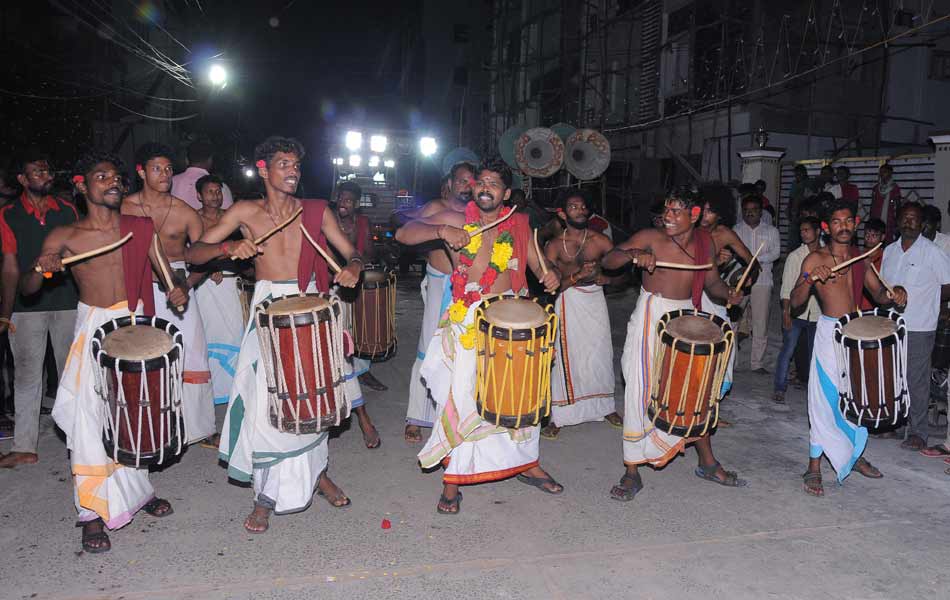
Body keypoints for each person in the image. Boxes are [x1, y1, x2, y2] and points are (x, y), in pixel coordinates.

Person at [187, 136, 363, 533]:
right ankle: (265, 495)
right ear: (264, 170)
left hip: (311, 306)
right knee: (266, 399)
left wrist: (351, 266)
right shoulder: (246, 210)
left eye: (296, 165)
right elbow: (194, 253)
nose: (293, 171)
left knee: (313, 395)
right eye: (284, 164)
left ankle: (316, 474)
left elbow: (350, 251)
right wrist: (229, 246)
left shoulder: (314, 211)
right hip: (270, 310)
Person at [25, 151, 187, 552]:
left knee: (133, 411)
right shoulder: (65, 237)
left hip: (134, 325)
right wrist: (41, 267)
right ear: (82, 185)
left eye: (116, 177)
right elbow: (27, 291)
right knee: (88, 420)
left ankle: (137, 491)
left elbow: (165, 273)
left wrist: (176, 290)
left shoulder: (139, 227)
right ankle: (92, 512)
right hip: (93, 328)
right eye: (102, 177)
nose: (113, 182)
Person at [395, 158, 563, 514]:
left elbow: (537, 265)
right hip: (469, 321)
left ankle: (527, 463)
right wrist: (440, 233)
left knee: (519, 398)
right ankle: (453, 480)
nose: (485, 188)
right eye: (480, 182)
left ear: (506, 193)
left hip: (511, 320)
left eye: (494, 184)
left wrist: (551, 277)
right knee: (461, 400)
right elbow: (403, 234)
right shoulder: (457, 219)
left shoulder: (518, 223)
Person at [601, 188, 746, 502]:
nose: (667, 217)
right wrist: (631, 255)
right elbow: (609, 260)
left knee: (694, 390)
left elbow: (713, 284)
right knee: (639, 388)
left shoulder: (705, 245)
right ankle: (631, 470)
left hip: (685, 320)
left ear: (693, 216)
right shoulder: (650, 237)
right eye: (666, 210)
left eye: (675, 212)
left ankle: (707, 463)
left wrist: (729, 294)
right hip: (650, 318)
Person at [791, 200, 906, 495]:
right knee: (822, 401)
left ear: (855, 224)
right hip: (830, 333)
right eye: (837, 222)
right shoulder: (814, 259)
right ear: (828, 227)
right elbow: (795, 302)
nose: (843, 226)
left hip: (855, 333)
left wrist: (896, 293)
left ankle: (853, 455)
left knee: (855, 397)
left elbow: (879, 295)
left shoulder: (859, 257)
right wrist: (810, 278)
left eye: (848, 221)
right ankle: (813, 467)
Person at [122, 143, 215, 447]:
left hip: (180, 290)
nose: (164, 174)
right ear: (141, 172)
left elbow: (204, 258)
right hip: (138, 289)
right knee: (144, 356)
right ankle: (151, 427)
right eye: (156, 168)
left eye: (168, 168)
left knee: (192, 353)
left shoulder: (185, 212)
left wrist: (185, 286)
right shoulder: (125, 208)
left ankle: (196, 429)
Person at [0, 152, 79, 468]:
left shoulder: (68, 210)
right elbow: (8, 268)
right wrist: (6, 313)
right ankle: (24, 446)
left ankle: (78, 441)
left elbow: (80, 257)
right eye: (37, 170)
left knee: (71, 375)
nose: (46, 174)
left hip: (68, 301)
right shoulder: (8, 214)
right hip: (26, 305)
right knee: (28, 375)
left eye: (47, 168)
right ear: (22, 179)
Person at [395, 161, 474, 444]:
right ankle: (417, 417)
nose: (467, 186)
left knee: (464, 355)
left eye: (471, 181)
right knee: (428, 349)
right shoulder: (435, 208)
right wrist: (441, 229)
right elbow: (405, 232)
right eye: (461, 180)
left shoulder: (479, 213)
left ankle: (456, 416)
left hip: (471, 290)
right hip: (441, 284)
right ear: (450, 184)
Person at [540, 189, 621, 439]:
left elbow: (623, 277)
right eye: (574, 207)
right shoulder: (553, 246)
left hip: (595, 299)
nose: (581, 210)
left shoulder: (601, 241)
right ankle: (559, 415)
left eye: (583, 206)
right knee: (566, 356)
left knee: (600, 351)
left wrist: (602, 278)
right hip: (567, 301)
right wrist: (577, 276)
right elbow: (549, 286)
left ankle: (605, 406)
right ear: (563, 214)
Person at [880, 202, 950, 452]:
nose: (909, 222)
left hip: (920, 325)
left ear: (921, 224)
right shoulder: (889, 251)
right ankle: (897, 425)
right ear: (898, 221)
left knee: (916, 380)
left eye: (914, 219)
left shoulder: (932, 252)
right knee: (894, 377)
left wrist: (928, 301)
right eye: (905, 218)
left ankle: (919, 432)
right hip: (892, 324)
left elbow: (948, 283)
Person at [192, 174, 247, 416]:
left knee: (236, 334)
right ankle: (211, 395)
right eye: (210, 191)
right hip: (203, 286)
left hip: (229, 282)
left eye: (218, 191)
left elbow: (246, 245)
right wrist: (209, 267)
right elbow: (191, 252)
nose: (215, 195)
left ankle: (236, 390)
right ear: (199, 196)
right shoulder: (193, 219)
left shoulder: (231, 218)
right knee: (207, 336)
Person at [332, 180, 382, 449]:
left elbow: (369, 252)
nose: (344, 203)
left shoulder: (362, 223)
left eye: (349, 200)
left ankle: (363, 372)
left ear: (356, 203)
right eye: (341, 198)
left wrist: (356, 261)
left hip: (353, 283)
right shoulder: (326, 219)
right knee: (338, 351)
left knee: (352, 339)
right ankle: (359, 415)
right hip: (328, 287)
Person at [699, 183, 755, 395]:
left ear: (721, 214)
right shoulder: (689, 233)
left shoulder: (725, 234)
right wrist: (717, 263)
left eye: (711, 211)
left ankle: (712, 403)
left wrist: (746, 277)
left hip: (717, 298)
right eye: (702, 209)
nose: (704, 216)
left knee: (723, 347)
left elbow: (752, 263)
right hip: (691, 297)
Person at [773, 217, 822, 405]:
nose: (804, 233)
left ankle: (814, 392)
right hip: (796, 312)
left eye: (808, 230)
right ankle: (779, 387)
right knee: (787, 350)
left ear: (818, 231)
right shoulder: (795, 256)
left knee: (815, 354)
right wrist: (786, 312)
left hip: (817, 313)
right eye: (802, 230)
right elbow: (786, 288)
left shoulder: (826, 255)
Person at [733, 195, 781, 374]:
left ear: (761, 211)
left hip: (762, 281)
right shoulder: (735, 230)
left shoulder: (771, 231)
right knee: (733, 321)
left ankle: (757, 363)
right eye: (746, 210)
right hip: (740, 281)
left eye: (753, 209)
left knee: (760, 323)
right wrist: (748, 261)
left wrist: (754, 260)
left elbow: (776, 253)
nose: (749, 213)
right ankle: (732, 362)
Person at [171, 140, 234, 211]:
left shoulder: (171, 182)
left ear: (186, 160)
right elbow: (229, 216)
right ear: (210, 160)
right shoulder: (220, 187)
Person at [869, 163, 901, 242]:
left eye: (884, 172)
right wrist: (871, 221)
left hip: (890, 221)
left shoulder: (895, 188)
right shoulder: (876, 188)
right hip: (876, 220)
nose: (882, 174)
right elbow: (872, 205)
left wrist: (897, 222)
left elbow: (898, 206)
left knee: (888, 241)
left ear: (890, 173)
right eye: (881, 172)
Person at [859, 218, 886, 310]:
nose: (869, 238)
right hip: (856, 307)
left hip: (875, 308)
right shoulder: (858, 256)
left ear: (882, 237)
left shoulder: (886, 257)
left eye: (874, 235)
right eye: (867, 234)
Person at [787, 165, 816, 247]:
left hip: (805, 213)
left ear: (804, 173)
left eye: (800, 174)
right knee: (793, 236)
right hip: (795, 214)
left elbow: (811, 197)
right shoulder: (794, 184)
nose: (798, 176)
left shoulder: (809, 183)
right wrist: (790, 211)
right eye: (796, 174)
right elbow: (791, 199)